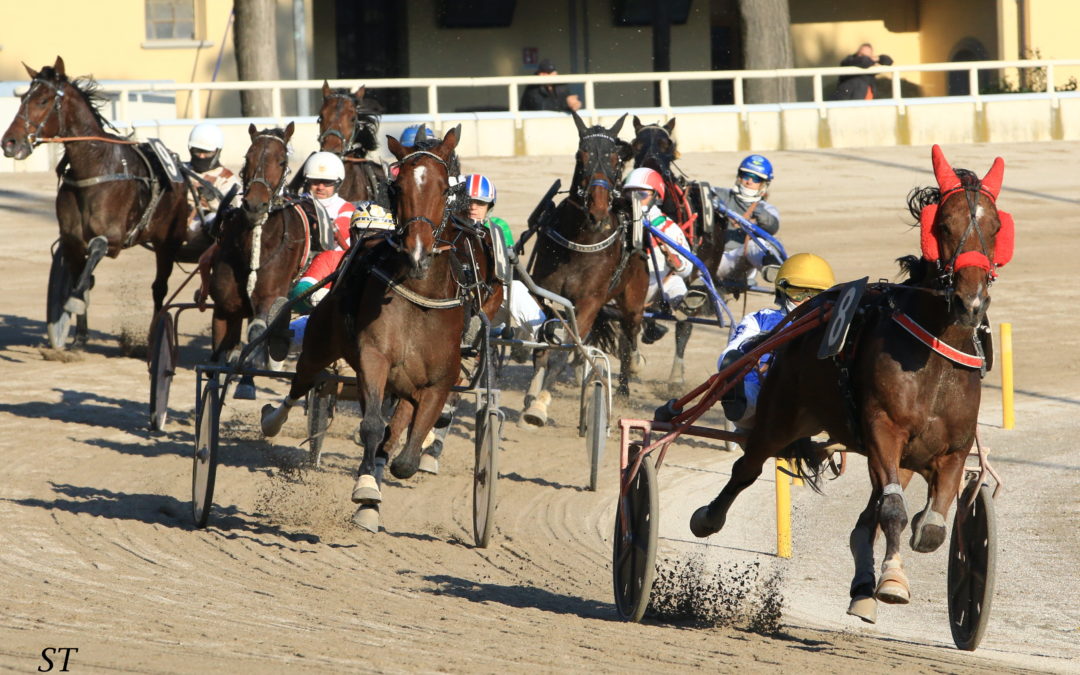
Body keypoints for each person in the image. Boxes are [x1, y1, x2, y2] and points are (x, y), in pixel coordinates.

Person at [717, 253, 836, 429]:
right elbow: (730, 354)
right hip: (762, 398)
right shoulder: (759, 319)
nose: (807, 301)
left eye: (816, 294)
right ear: (783, 291)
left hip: (814, 396)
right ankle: (738, 402)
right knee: (746, 386)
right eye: (799, 293)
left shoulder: (834, 325)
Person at [462, 173, 563, 348]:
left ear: (489, 206)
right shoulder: (448, 227)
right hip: (457, 302)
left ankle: (543, 329)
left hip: (488, 302)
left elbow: (505, 270)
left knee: (514, 287)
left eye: (480, 203)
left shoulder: (498, 227)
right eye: (468, 201)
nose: (473, 207)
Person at [623, 167, 693, 344]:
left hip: (659, 286)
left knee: (676, 283)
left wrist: (677, 263)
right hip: (623, 289)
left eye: (640, 195)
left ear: (656, 196)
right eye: (628, 195)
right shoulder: (619, 225)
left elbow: (687, 269)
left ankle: (683, 304)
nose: (633, 201)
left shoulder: (668, 228)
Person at [710, 154, 782, 288]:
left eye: (755, 179)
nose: (749, 181)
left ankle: (772, 267)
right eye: (745, 176)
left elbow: (772, 226)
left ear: (763, 184)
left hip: (738, 264)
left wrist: (756, 209)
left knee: (759, 243)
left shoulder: (766, 209)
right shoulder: (720, 194)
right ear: (739, 176)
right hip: (709, 259)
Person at [183, 122, 241, 247]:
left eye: (207, 152)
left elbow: (234, 210)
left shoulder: (227, 178)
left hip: (205, 228)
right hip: (177, 219)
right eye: (197, 151)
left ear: (217, 152)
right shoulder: (180, 170)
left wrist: (213, 200)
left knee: (217, 220)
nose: (202, 156)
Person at [301, 151, 355, 251]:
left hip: (331, 262)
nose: (320, 187)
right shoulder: (296, 203)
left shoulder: (346, 207)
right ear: (308, 181)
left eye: (327, 182)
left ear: (337, 184)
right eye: (315, 181)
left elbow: (341, 232)